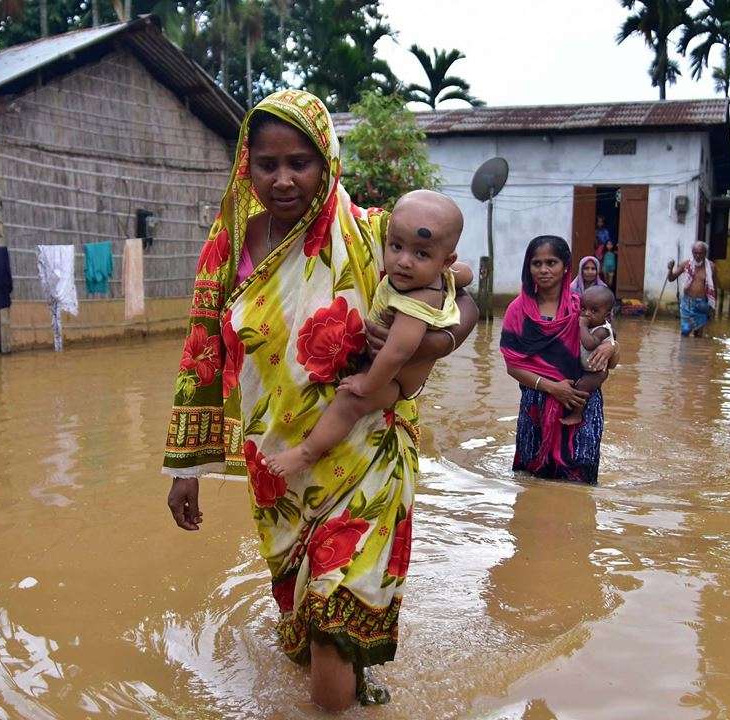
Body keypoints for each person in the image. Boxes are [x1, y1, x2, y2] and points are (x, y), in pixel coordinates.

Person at [162, 90, 479, 712]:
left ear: (327, 161)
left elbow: (463, 292)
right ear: (244, 166)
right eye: (267, 164)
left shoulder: (371, 234)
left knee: (336, 609)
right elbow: (200, 355)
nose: (283, 179)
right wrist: (185, 470)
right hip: (279, 466)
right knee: (309, 626)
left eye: (300, 162)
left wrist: (440, 339)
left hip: (367, 454)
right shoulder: (227, 248)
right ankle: (351, 683)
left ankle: (336, 690)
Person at [266, 190, 472, 478]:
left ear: (445, 261)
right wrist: (457, 272)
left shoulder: (415, 301)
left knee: (349, 404)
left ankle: (306, 452)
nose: (404, 261)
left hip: (393, 381)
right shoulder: (439, 274)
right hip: (394, 372)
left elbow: (398, 351)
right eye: (396, 246)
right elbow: (465, 275)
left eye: (421, 253)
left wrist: (367, 384)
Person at [501, 235, 617, 483]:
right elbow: (512, 366)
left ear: (565, 267)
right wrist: (553, 387)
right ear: (528, 268)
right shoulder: (517, 311)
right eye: (536, 263)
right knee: (531, 479)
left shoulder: (582, 308)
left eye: (551, 263)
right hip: (537, 401)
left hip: (581, 400)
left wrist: (610, 349)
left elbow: (612, 359)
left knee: (581, 479)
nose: (543, 270)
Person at [561, 285, 615, 427]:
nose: (587, 314)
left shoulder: (602, 330)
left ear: (607, 315)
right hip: (586, 368)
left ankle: (576, 415)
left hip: (597, 372)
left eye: (594, 311)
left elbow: (589, 344)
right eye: (583, 309)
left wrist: (582, 326)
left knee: (581, 387)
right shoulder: (590, 325)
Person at [666, 240, 717, 337]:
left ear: (705, 253)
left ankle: (696, 351)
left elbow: (714, 288)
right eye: (695, 253)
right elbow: (671, 278)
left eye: (700, 253)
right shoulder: (686, 264)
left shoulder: (711, 267)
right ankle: (685, 351)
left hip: (702, 304)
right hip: (687, 303)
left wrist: (713, 307)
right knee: (685, 331)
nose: (697, 256)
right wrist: (670, 269)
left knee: (698, 334)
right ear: (692, 252)